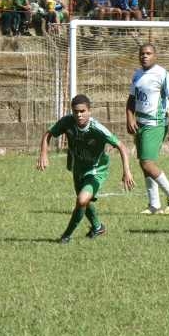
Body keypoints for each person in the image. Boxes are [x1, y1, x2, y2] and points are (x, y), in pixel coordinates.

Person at [37, 94, 135, 244]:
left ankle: (66, 236)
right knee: (84, 201)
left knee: (82, 199)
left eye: (82, 111)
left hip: (96, 171)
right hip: (78, 168)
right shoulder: (67, 122)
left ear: (89, 111)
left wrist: (126, 171)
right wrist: (44, 153)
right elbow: (48, 134)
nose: (79, 115)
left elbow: (121, 146)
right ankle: (98, 227)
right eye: (76, 111)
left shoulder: (97, 129)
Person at [126, 43, 169, 215]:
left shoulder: (162, 74)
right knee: (144, 164)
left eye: (148, 53)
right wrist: (130, 118)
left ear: (155, 56)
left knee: (147, 163)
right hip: (140, 124)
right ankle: (154, 205)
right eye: (142, 53)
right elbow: (131, 99)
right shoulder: (137, 75)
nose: (145, 56)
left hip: (155, 124)